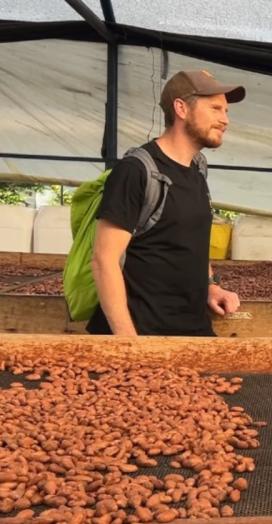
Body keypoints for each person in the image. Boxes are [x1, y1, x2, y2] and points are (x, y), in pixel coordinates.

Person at [87, 70, 245, 336]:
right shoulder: (136, 171)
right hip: (143, 333)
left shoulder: (197, 169)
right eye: (215, 108)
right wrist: (128, 343)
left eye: (226, 111)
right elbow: (104, 260)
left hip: (193, 329)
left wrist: (212, 286)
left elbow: (188, 242)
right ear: (181, 108)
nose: (225, 120)